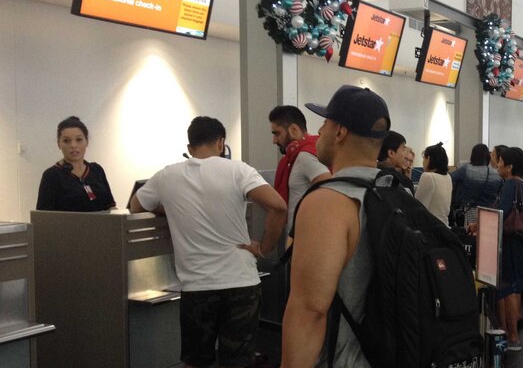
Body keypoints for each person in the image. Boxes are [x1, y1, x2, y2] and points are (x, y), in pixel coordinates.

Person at [130, 116, 287, 368]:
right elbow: (278, 206)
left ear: (190, 148)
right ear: (221, 143)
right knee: (237, 362)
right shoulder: (239, 170)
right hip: (241, 283)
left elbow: (136, 206)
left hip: (197, 287)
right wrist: (264, 247)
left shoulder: (167, 175)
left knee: (196, 361)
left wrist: (173, 206)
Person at [281, 85, 390, 368]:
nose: (319, 131)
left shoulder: (327, 202)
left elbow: (310, 311)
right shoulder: (397, 192)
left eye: (325, 123)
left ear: (340, 132)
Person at [270, 105, 331, 235]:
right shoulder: (296, 157)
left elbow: (330, 187)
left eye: (277, 134)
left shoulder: (305, 157)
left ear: (294, 129)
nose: (274, 141)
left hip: (305, 239)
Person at [494, 147, 523, 352]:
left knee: (506, 289)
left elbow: (500, 213)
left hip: (508, 243)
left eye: (500, 162)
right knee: (514, 287)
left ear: (509, 166)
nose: (497, 165)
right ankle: (512, 333)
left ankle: (511, 336)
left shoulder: (509, 185)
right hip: (520, 243)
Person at [37, 116, 116, 212]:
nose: (73, 145)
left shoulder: (97, 170)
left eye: (79, 140)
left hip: (102, 226)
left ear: (87, 141)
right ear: (59, 144)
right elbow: (43, 217)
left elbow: (111, 206)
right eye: (66, 141)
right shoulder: (52, 175)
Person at [450, 144, 503, 227]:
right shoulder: (496, 175)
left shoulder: (466, 169)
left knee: (469, 235)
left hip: (469, 211)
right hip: (489, 213)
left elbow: (451, 178)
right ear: (487, 157)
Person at [414, 142, 452, 225]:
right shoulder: (448, 177)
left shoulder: (428, 177)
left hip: (430, 228)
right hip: (444, 225)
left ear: (429, 159)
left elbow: (418, 206)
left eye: (424, 158)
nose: (423, 162)